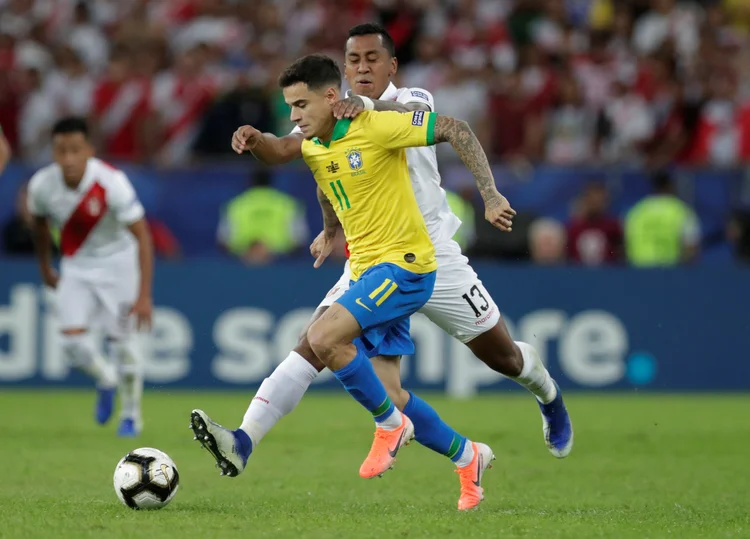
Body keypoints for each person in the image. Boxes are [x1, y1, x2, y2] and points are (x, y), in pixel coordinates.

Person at [194, 24, 571, 508]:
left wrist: (489, 192)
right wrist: (327, 222)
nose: (363, 68)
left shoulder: (407, 99)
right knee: (316, 347)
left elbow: (439, 124)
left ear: (391, 66)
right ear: (343, 69)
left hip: (430, 254)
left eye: (374, 59)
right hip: (370, 259)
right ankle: (243, 441)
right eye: (354, 60)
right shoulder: (325, 113)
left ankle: (546, 391)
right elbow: (308, 157)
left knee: (504, 359)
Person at [27, 117, 154, 437]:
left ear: (89, 151)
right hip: (76, 265)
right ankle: (106, 377)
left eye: (75, 150)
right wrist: (45, 267)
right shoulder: (42, 185)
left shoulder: (112, 182)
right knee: (70, 342)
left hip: (119, 265)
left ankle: (131, 416)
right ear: (53, 153)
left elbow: (143, 236)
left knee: (126, 345)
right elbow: (40, 227)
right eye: (60, 151)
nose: (68, 158)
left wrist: (143, 295)